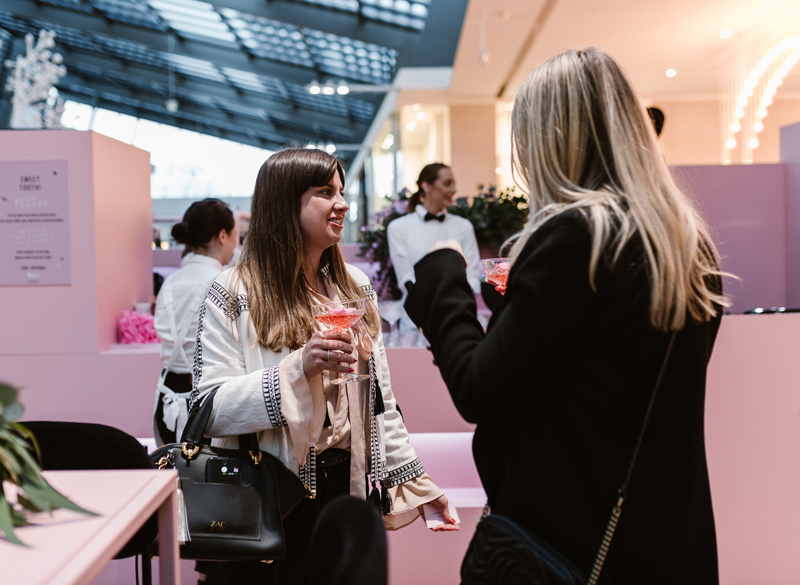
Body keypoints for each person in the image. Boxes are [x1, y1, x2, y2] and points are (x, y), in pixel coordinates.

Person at [404, 47, 728, 584]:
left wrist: (444, 281)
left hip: (573, 543)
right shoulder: (685, 244)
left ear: (552, 139)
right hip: (668, 537)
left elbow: (479, 388)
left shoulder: (580, 239)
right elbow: (603, 375)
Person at [190, 148, 457, 585]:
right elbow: (209, 408)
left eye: (342, 191)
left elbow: (382, 403)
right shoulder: (232, 292)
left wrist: (417, 485)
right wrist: (299, 369)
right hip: (269, 496)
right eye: (325, 192)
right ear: (284, 203)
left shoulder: (356, 288)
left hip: (345, 493)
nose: (343, 204)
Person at [153, 198, 237, 446]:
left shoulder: (170, 282)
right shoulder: (224, 282)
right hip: (205, 404)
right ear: (222, 236)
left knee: (172, 478)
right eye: (235, 236)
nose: (235, 244)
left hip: (166, 399)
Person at [387, 163, 481, 332]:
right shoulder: (398, 228)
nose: (453, 189)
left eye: (454, 184)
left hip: (460, 320)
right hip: (416, 324)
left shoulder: (464, 226)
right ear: (426, 186)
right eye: (447, 183)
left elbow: (473, 276)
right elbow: (406, 280)